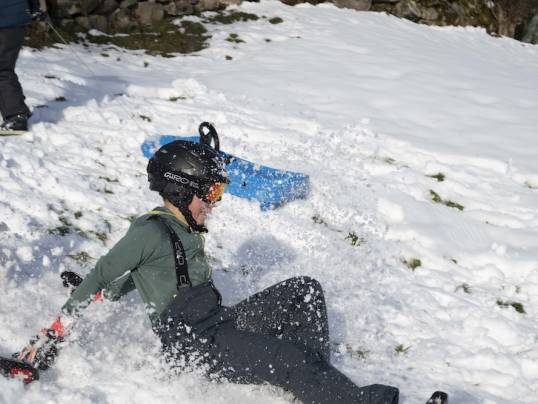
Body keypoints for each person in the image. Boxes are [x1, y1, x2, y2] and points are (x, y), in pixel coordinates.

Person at [16, 138, 400, 403]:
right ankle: (339, 393)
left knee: (305, 290)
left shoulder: (184, 227)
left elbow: (145, 276)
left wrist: (111, 292)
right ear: (181, 191)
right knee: (291, 359)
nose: (215, 203)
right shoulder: (149, 232)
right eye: (211, 193)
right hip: (196, 346)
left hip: (217, 324)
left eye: (219, 193)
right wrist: (55, 332)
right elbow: (102, 275)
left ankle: (320, 386)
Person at [0, 0, 39, 135]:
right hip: (16, 19)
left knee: (2, 70)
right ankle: (17, 110)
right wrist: (33, 8)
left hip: (5, 22)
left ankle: (16, 117)